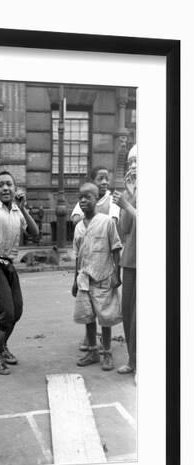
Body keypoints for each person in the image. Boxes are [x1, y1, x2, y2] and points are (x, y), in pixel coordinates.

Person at [0, 171, 39, 375]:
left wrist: (23, 209)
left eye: (9, 185)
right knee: (6, 312)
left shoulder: (16, 210)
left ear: (15, 189)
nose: (5, 188)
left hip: (9, 265)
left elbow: (35, 233)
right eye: (1, 185)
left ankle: (2, 346)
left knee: (17, 310)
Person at [72, 183, 122, 371]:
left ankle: (107, 352)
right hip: (84, 280)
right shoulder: (78, 227)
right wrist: (74, 282)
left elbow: (116, 249)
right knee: (88, 316)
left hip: (103, 277)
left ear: (97, 199)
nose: (83, 200)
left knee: (106, 318)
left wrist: (117, 274)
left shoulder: (107, 222)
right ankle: (93, 351)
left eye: (88, 197)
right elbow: (77, 256)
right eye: (81, 197)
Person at [113, 144, 137, 377]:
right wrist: (128, 198)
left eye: (137, 161)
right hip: (130, 260)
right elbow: (124, 229)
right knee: (128, 312)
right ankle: (132, 359)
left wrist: (128, 205)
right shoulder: (133, 190)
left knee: (142, 314)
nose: (133, 166)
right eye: (130, 162)